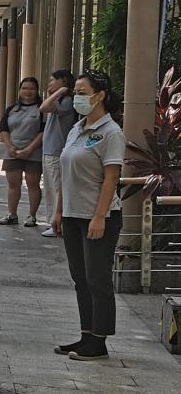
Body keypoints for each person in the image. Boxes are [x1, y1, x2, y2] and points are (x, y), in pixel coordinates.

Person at [51, 70, 125, 362]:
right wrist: (59, 211)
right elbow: (65, 173)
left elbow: (111, 178)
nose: (76, 98)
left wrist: (100, 216)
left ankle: (100, 341)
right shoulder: (76, 128)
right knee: (80, 277)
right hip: (72, 214)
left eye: (82, 93)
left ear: (100, 96)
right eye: (75, 93)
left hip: (99, 217)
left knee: (97, 278)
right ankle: (86, 334)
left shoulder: (111, 132)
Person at [0, 77, 45, 227]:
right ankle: (12, 215)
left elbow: (43, 131)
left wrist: (30, 148)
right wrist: (9, 146)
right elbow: (3, 129)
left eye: (31, 88)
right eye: (24, 88)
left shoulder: (42, 109)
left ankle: (32, 216)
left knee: (33, 184)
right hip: (12, 153)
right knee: (13, 184)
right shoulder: (11, 109)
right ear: (19, 90)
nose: (28, 91)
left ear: (37, 91)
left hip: (34, 153)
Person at [39, 69, 77, 238]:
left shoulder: (67, 101)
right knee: (50, 188)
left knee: (55, 189)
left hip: (56, 151)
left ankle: (56, 224)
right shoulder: (60, 100)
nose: (49, 84)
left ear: (63, 81)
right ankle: (52, 221)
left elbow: (43, 107)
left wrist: (61, 91)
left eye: (52, 80)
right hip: (49, 149)